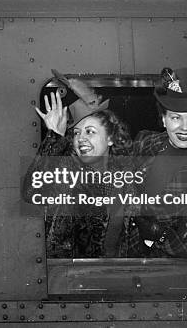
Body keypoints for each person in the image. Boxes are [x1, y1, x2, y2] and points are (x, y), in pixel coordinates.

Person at [119, 67, 187, 258]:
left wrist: (161, 237)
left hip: (164, 276)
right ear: (163, 119)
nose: (185, 128)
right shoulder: (144, 142)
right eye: (176, 118)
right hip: (125, 261)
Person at [24, 75, 132, 257]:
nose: (80, 139)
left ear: (111, 138)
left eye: (90, 131)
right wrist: (54, 137)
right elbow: (30, 193)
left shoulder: (125, 178)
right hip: (72, 279)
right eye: (75, 133)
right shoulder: (66, 174)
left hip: (113, 275)